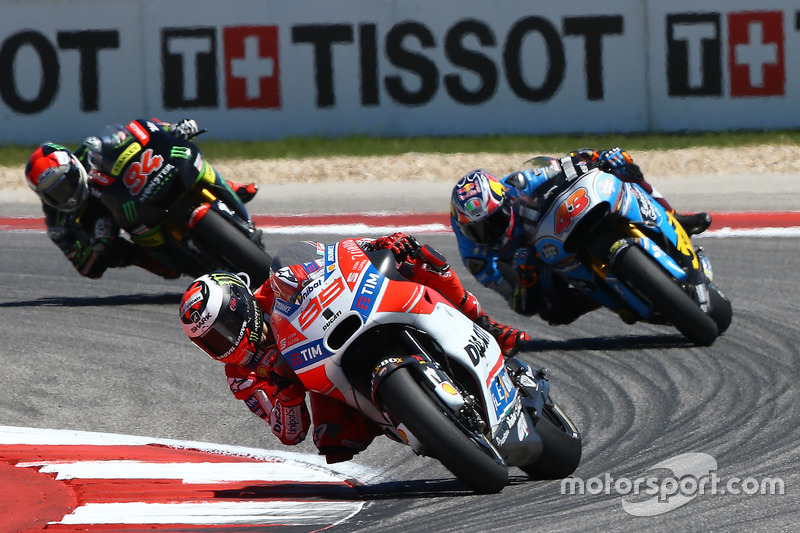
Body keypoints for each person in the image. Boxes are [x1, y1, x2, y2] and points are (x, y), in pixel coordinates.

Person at [179, 234, 530, 464]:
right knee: (332, 440)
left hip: (348, 319)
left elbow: (331, 259)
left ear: (240, 304)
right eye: (210, 342)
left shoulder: (272, 289)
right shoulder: (241, 377)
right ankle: (413, 419)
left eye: (223, 328)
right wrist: (285, 393)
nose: (224, 343)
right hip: (324, 378)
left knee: (414, 254)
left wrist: (378, 243)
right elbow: (289, 432)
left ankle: (485, 325)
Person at [449, 147, 713, 325]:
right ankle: (611, 296)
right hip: (536, 258)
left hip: (558, 223)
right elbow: (521, 304)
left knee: (620, 165)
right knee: (554, 312)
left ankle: (673, 216)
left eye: (493, 221)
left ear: (505, 201)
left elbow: (563, 165)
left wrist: (595, 156)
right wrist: (527, 280)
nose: (488, 233)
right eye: (476, 230)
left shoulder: (517, 184)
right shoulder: (477, 258)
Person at [24, 118, 259, 280]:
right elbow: (84, 266)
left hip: (134, 192)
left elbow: (138, 134)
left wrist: (172, 129)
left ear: (74, 166)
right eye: (55, 193)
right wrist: (97, 244)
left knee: (181, 155)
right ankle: (169, 259)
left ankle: (227, 187)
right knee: (160, 267)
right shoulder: (56, 221)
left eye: (67, 183)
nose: (66, 193)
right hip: (118, 223)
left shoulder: (90, 152)